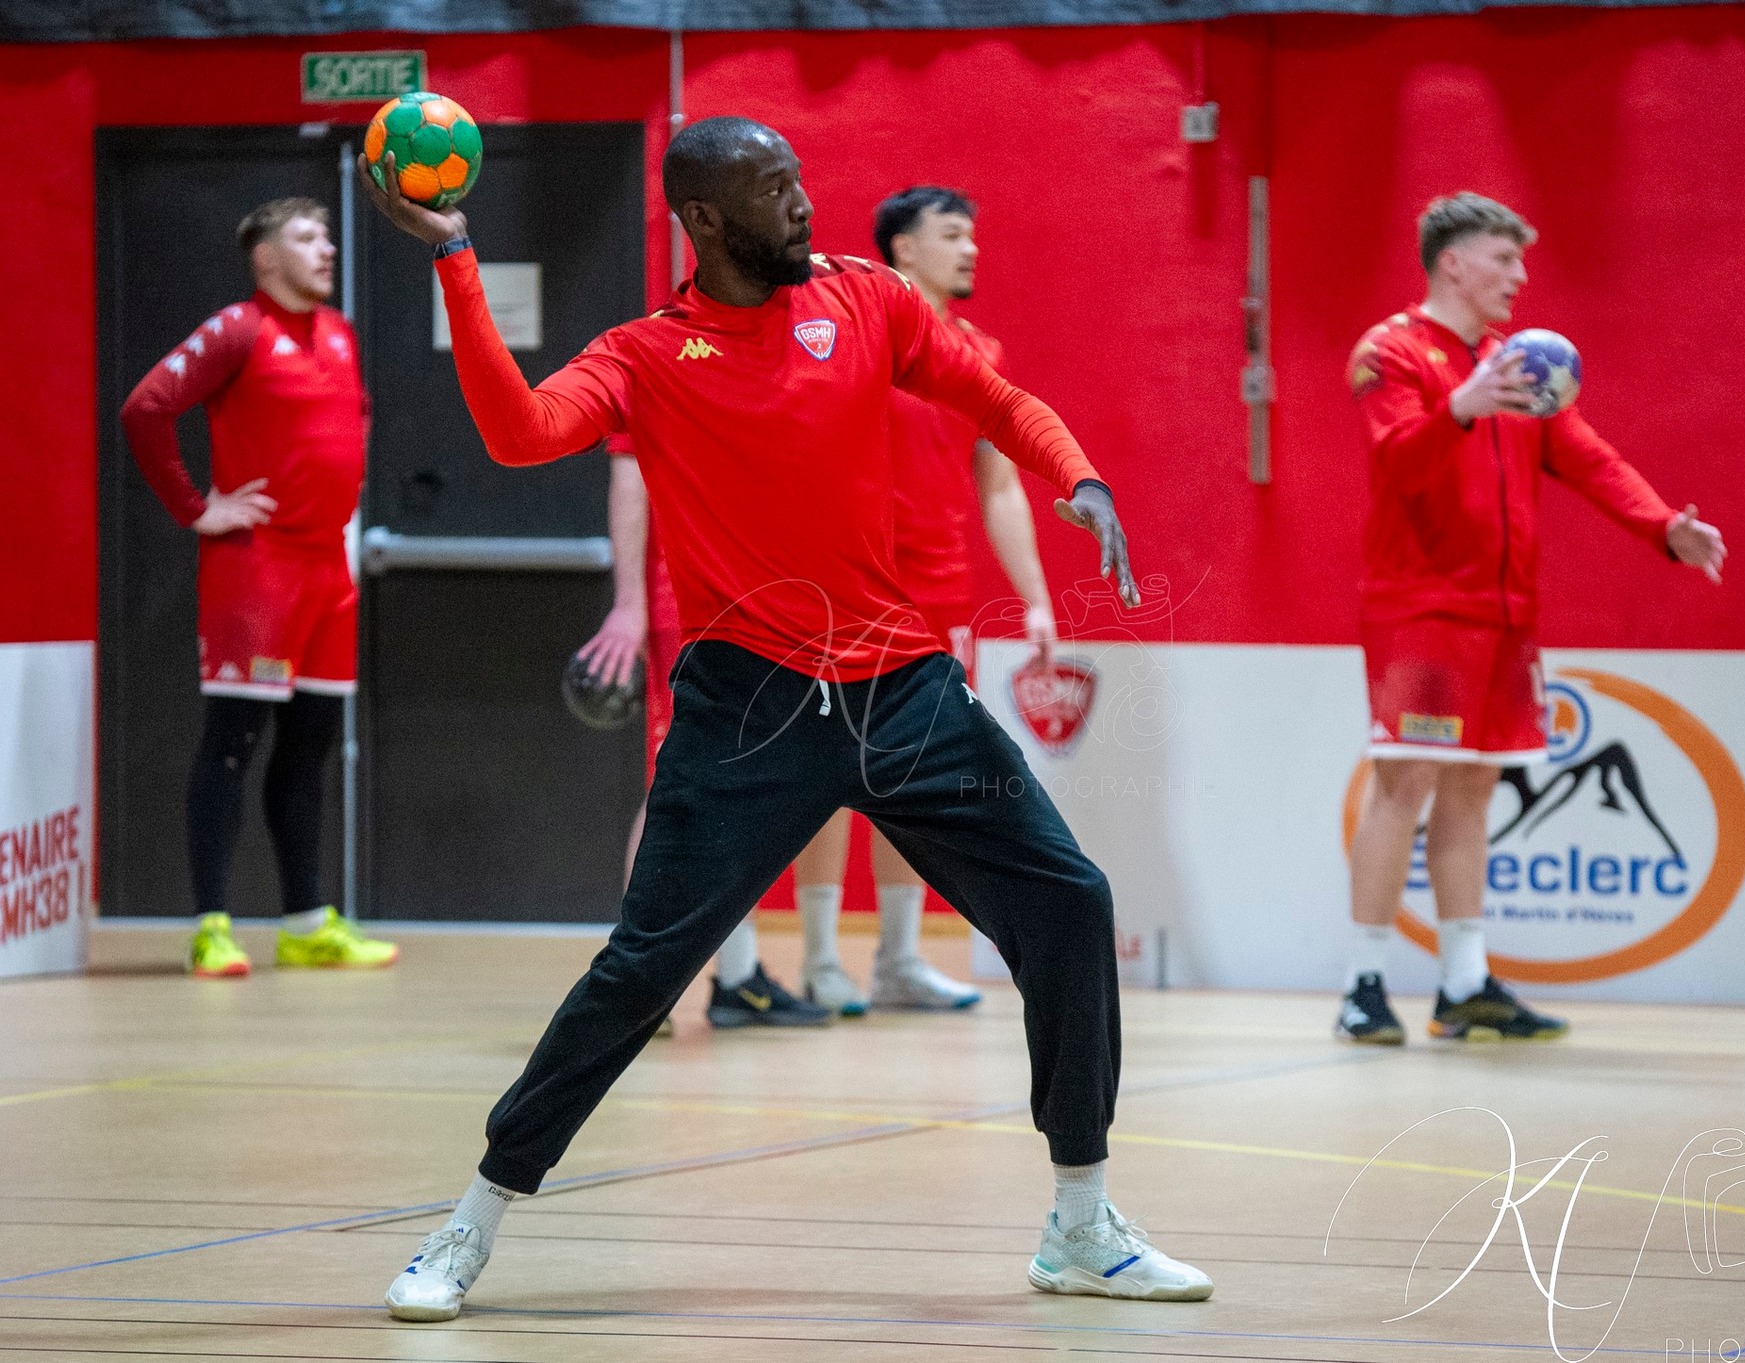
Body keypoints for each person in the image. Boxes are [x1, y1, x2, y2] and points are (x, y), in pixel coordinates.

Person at [365, 116, 1211, 1320]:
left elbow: (991, 394)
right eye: (773, 190)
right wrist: (454, 254)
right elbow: (518, 432)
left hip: (900, 689)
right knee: (640, 970)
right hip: (746, 709)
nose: (804, 204)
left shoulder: (867, 300)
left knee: (1068, 904)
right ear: (706, 221)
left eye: (799, 179)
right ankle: (469, 1224)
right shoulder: (646, 354)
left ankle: (1080, 1220)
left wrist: (1075, 474)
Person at [1337, 191, 1726, 1045]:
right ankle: (1362, 983)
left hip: (1508, 615)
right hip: (1423, 610)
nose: (1520, 276)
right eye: (1504, 258)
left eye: (1521, 260)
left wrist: (1664, 524)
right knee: (1406, 779)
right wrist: (1462, 408)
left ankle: (1464, 982)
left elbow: (1586, 453)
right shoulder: (1389, 352)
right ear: (1453, 263)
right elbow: (1397, 464)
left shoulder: (1522, 362)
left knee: (1476, 786)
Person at [791, 186, 1060, 1018]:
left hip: (936, 598)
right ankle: (820, 957)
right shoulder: (856, 339)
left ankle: (901, 959)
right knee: (828, 772)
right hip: (846, 589)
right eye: (951, 235)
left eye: (972, 234)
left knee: (912, 777)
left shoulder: (980, 353)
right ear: (902, 249)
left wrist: (1037, 600)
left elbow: (1002, 485)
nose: (971, 249)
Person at [120, 197, 398, 978]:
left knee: (309, 747)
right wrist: (197, 508)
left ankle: (307, 920)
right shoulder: (239, 328)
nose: (329, 249)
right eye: (309, 237)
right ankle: (212, 925)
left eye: (328, 235)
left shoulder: (338, 335)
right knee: (233, 741)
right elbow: (145, 408)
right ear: (267, 259)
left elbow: (348, 433)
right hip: (259, 571)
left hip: (325, 570)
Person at [579, 449, 829, 1029]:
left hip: (749, 597)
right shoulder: (648, 358)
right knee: (674, 783)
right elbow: (630, 476)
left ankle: (737, 975)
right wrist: (629, 603)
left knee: (738, 782)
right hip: (686, 600)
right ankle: (635, 984)